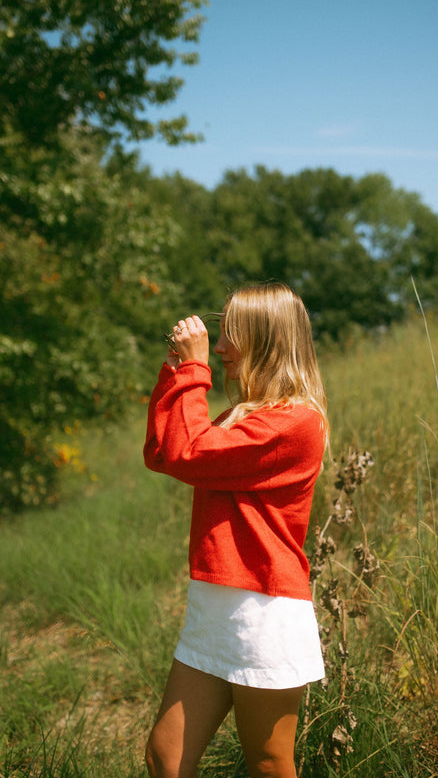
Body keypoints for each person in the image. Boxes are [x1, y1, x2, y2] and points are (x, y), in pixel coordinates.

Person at [143, 282, 329, 778]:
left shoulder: (295, 424)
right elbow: (163, 452)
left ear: (267, 341)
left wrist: (196, 368)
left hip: (263, 612)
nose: (221, 347)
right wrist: (178, 370)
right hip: (215, 603)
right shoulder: (240, 418)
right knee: (166, 757)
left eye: (232, 336)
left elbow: (187, 451)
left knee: (269, 765)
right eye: (219, 337)